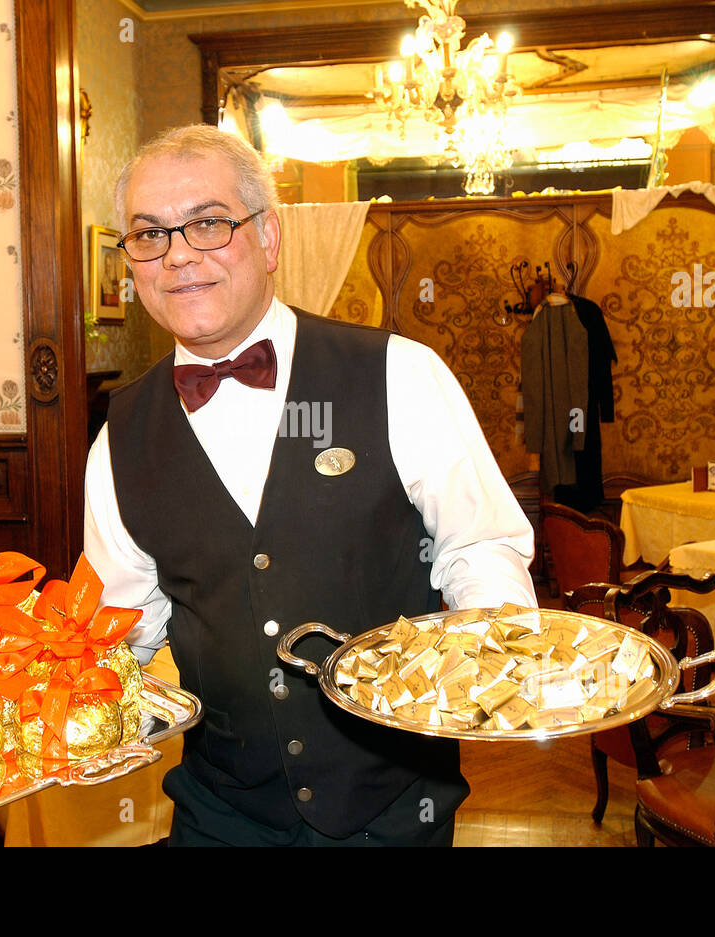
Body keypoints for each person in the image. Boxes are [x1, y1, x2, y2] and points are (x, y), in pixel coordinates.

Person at [83, 124, 537, 846]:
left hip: (390, 812)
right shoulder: (120, 435)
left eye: (208, 223)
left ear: (268, 238)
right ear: (131, 260)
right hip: (218, 815)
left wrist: (491, 672)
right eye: (149, 234)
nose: (177, 255)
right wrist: (46, 705)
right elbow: (122, 629)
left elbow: (480, 551)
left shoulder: (397, 374)